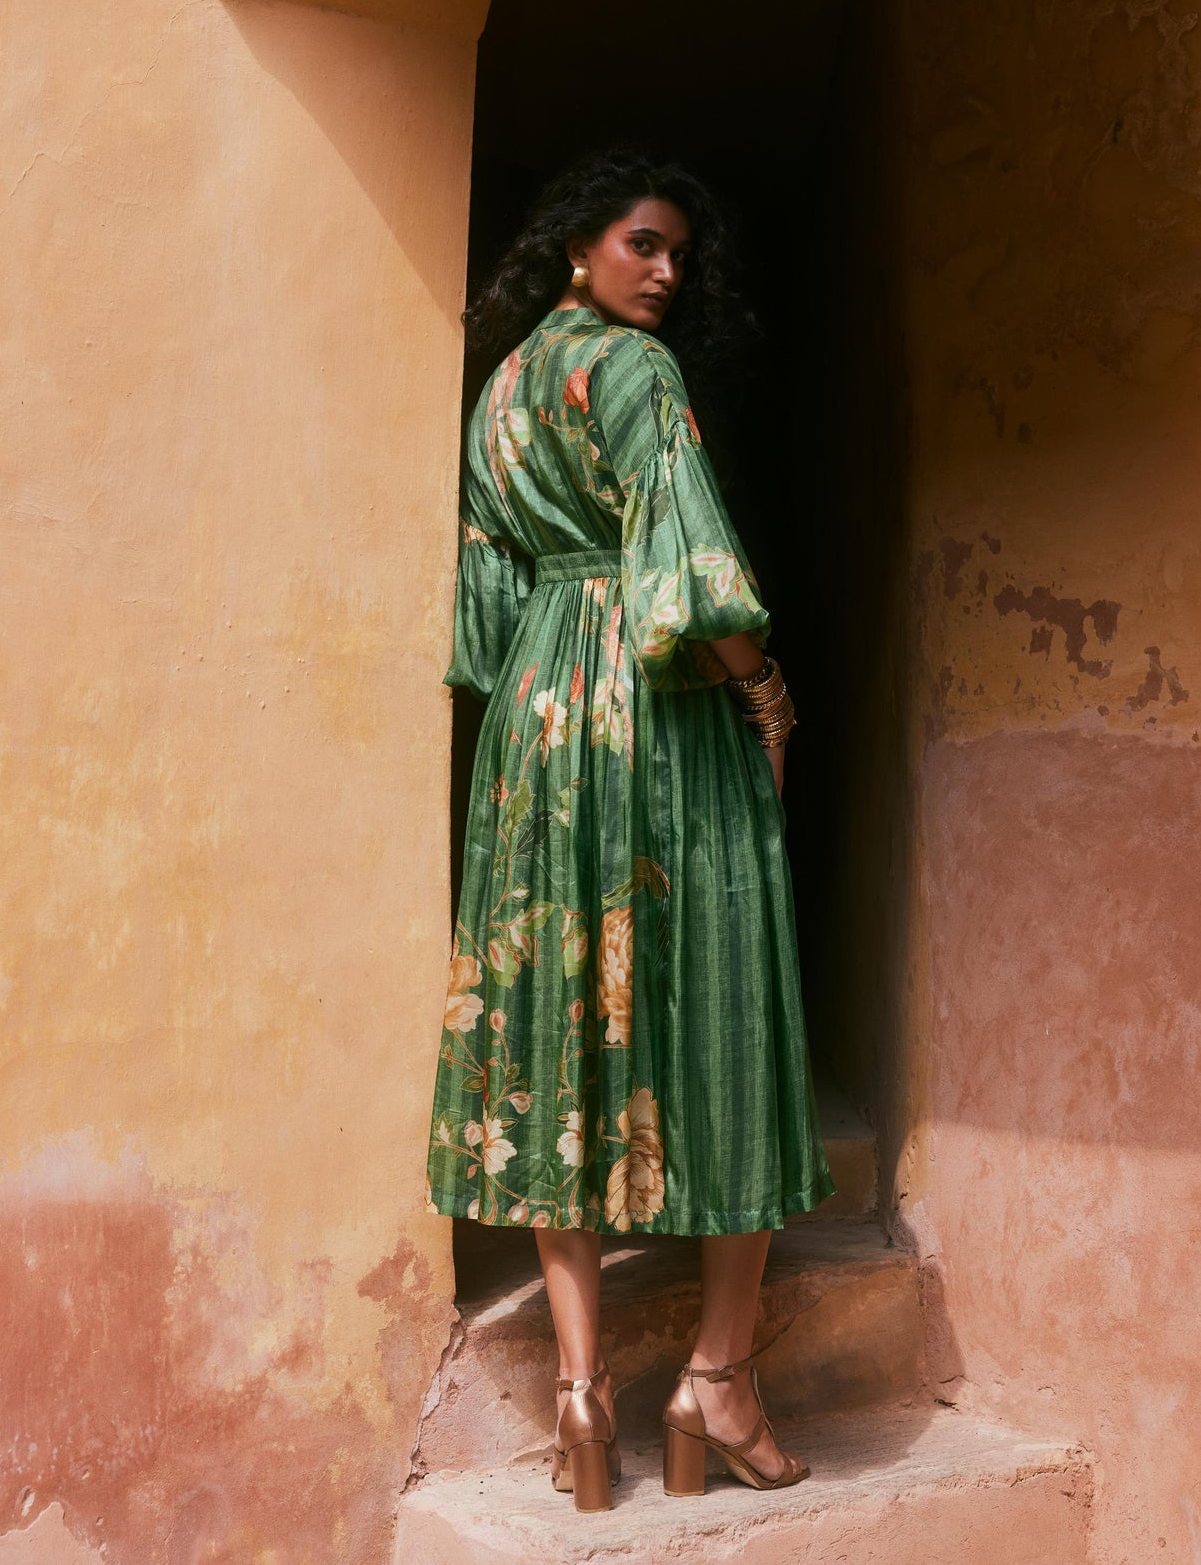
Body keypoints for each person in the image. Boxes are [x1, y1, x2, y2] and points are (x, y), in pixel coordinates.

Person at [426, 147, 833, 1511]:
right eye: (643, 243)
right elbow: (692, 575)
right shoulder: (638, 374)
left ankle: (581, 1392)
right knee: (724, 997)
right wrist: (764, 690)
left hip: (539, 715)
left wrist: (542, 661)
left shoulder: (496, 394)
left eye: (677, 255)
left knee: (562, 1026)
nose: (664, 271)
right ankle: (716, 1372)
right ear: (576, 247)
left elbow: (478, 624)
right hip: (651, 703)